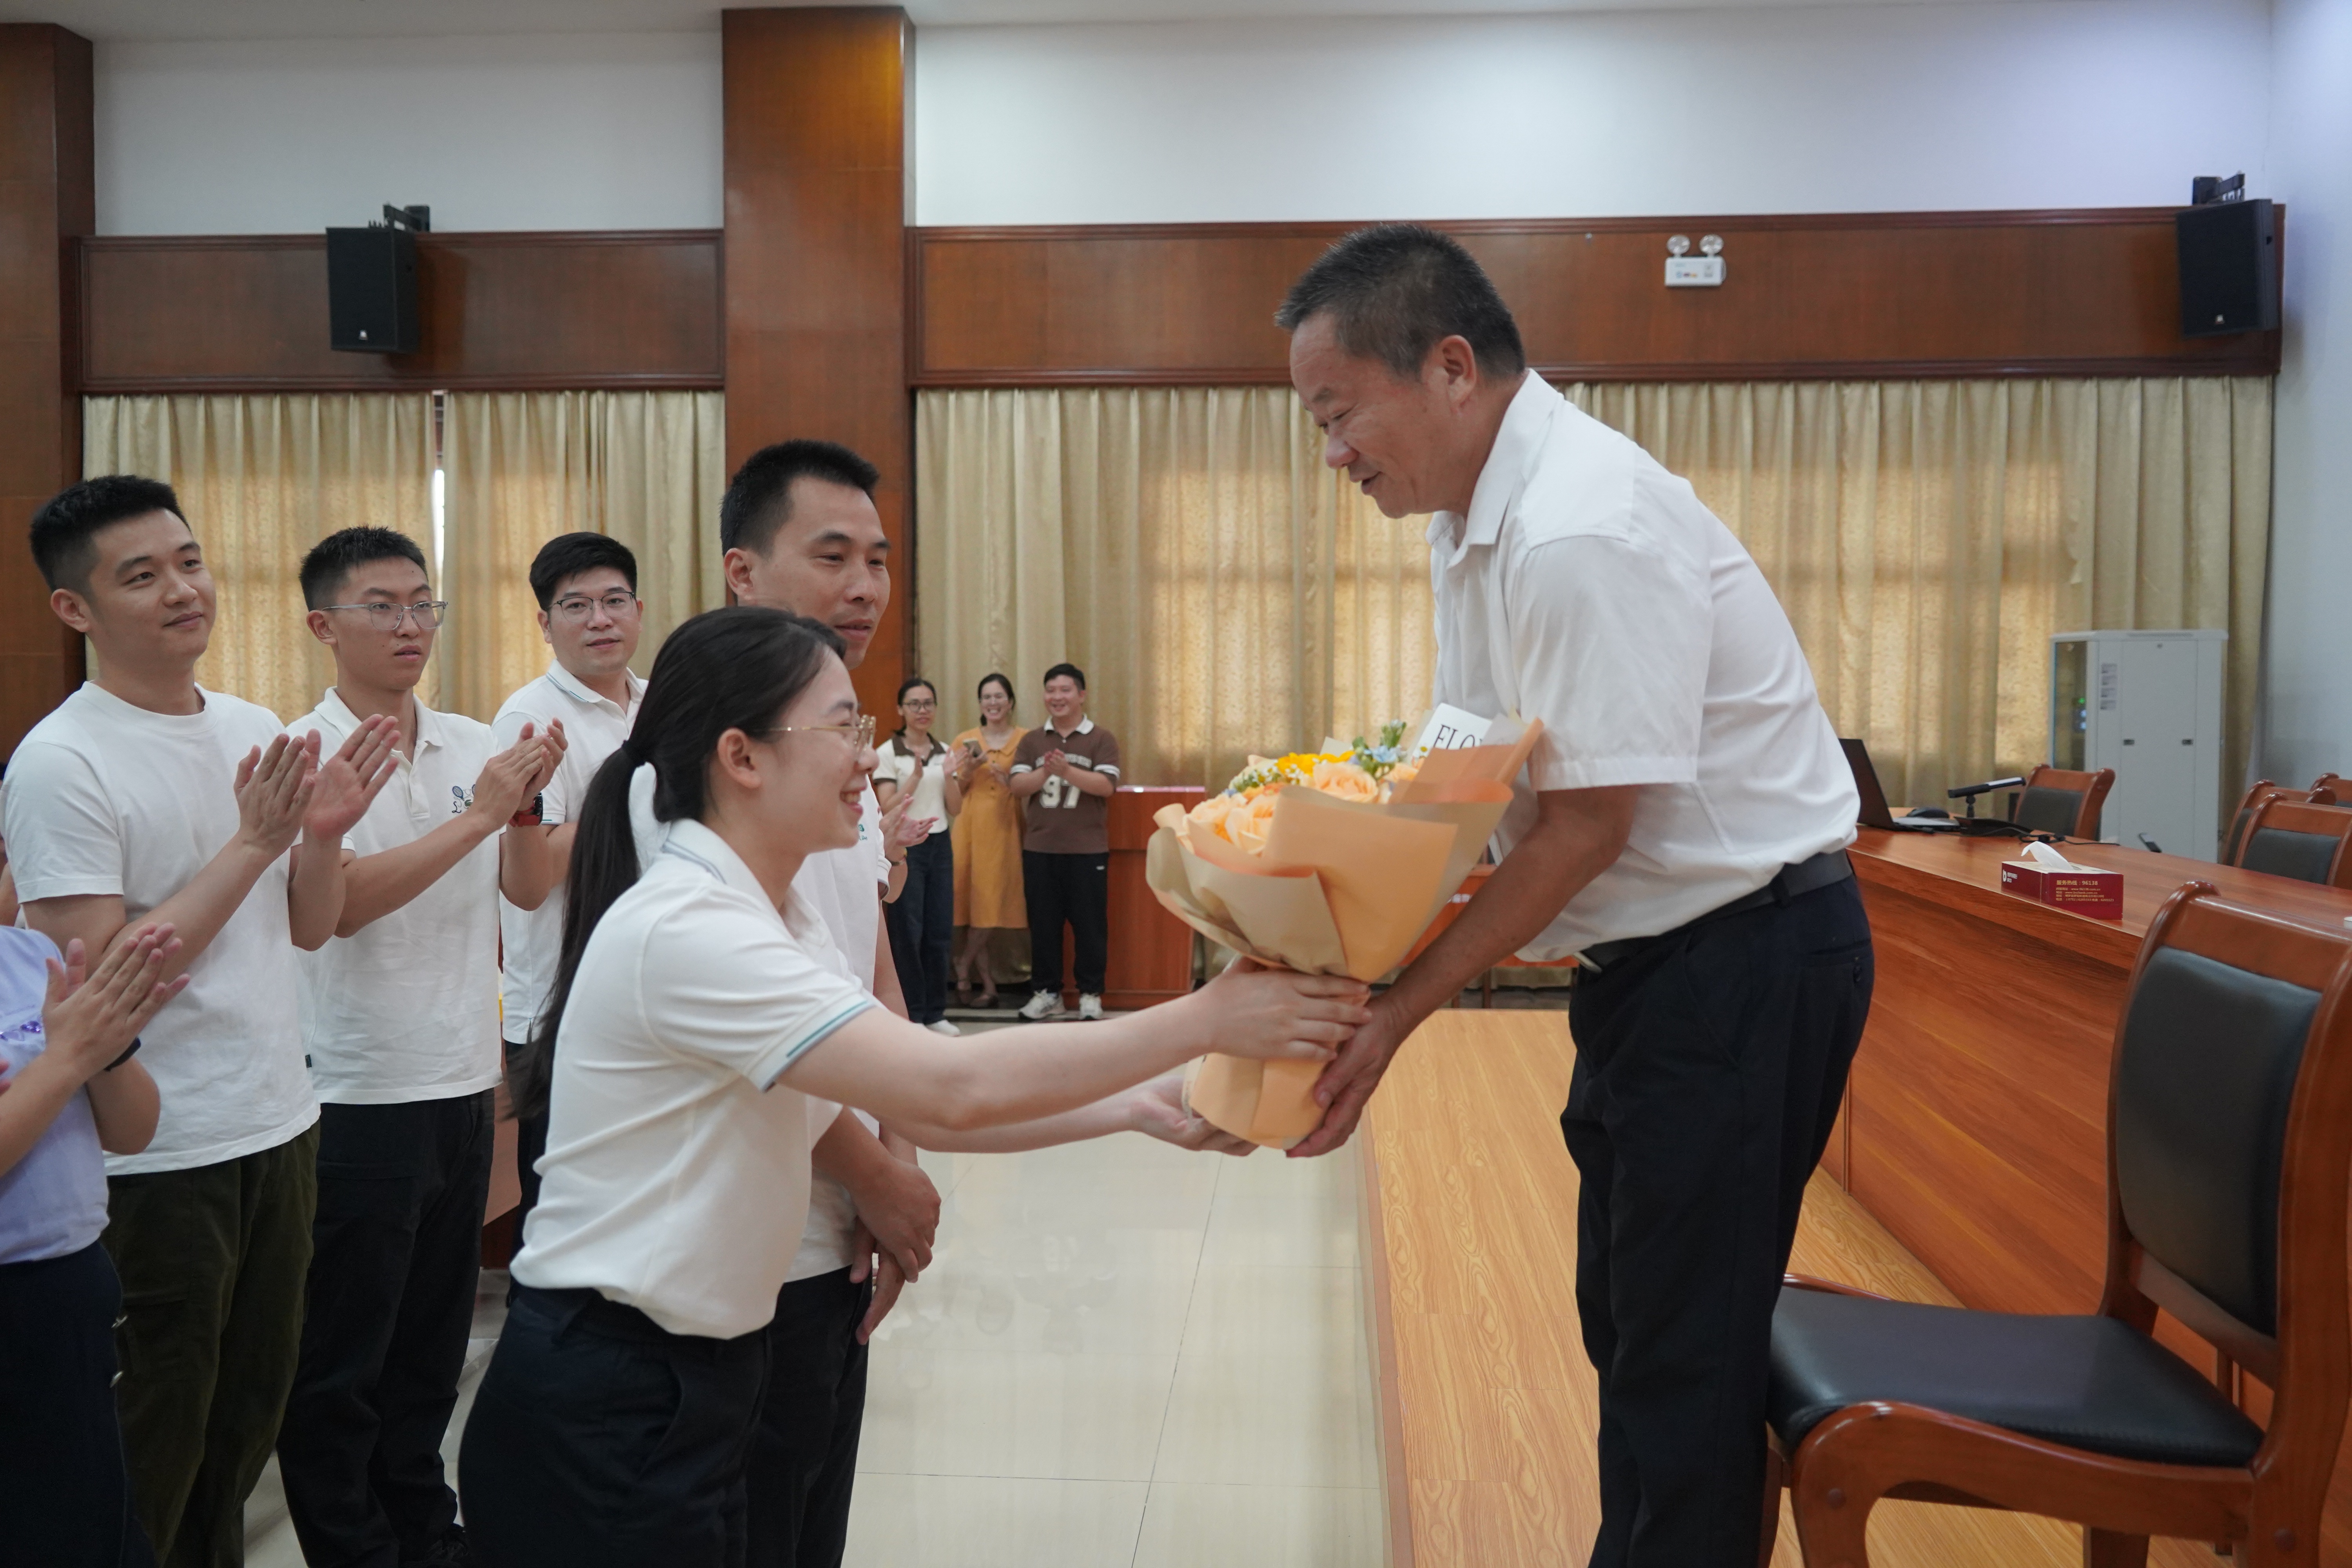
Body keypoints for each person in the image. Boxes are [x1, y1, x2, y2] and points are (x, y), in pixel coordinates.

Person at [455, 606, 1365, 1568]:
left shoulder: (777, 913)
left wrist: (1140, 1106)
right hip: (609, 1395)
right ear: (742, 756)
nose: (869, 757)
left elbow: (890, 1095)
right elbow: (947, 1085)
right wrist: (1207, 1016)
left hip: (688, 1381)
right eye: (842, 727)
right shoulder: (690, 929)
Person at [1278, 226, 1872, 1567]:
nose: (1333, 455)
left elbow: (1590, 828)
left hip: (1743, 957)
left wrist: (1397, 1010)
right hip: (1661, 968)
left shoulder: (1579, 526)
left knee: (1683, 1357)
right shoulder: (1472, 522)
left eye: (1338, 414)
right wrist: (1320, 914)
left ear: (1450, 368)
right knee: (1635, 1322)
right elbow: (1469, 770)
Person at [5, 474, 399, 1567]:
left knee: (243, 1433)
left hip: (278, 1121)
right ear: (76, 609)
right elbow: (100, 985)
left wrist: (321, 837)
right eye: (142, 576)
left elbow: (307, 928)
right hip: (155, 1157)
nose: (184, 590)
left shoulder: (251, 727)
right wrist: (256, 842)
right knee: (154, 1456)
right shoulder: (62, 762)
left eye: (189, 562)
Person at [276, 528, 567, 1568]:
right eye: (383, 606)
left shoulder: (466, 743)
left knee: (432, 1353)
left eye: (422, 603)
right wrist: (482, 815)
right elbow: (339, 910)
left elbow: (526, 889)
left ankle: (425, 1537)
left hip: (460, 1081)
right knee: (342, 1362)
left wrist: (521, 807)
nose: (411, 625)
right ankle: (354, 1549)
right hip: (356, 1094)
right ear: (324, 625)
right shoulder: (305, 754)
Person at [713, 439, 938, 1568]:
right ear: (743, 572)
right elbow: (760, 1038)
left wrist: (897, 1157)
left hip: (838, 1230)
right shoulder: (701, 768)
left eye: (879, 560)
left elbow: (871, 976)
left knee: (812, 1524)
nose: (864, 587)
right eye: (833, 555)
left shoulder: (838, 751)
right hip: (737, 1248)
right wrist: (882, 1178)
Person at [0, 922, 176, 1568]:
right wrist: (68, 1058)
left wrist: (107, 1051)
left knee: (98, 1523)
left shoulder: (30, 954)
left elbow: (133, 1130)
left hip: (71, 1283)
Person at [492, 532, 648, 1228]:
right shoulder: (529, 718)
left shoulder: (659, 706)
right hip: (563, 1007)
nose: (600, 620)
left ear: (639, 609)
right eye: (576, 605)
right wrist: (644, 811)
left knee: (640, 1205)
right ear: (545, 623)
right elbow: (532, 869)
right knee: (564, 1215)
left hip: (651, 988)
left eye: (615, 601)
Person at [1008, 664, 1121, 1022]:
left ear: (1082, 695)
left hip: (1088, 850)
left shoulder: (1101, 739)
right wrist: (1046, 771)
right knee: (1044, 927)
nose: (1057, 697)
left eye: (1065, 690)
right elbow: (1017, 787)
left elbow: (1106, 787)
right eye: (1051, 690)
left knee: (1090, 927)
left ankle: (1090, 994)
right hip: (1040, 849)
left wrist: (1067, 771)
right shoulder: (1032, 741)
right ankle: (1047, 994)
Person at [873, 678, 958, 1034]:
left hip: (940, 844)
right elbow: (885, 807)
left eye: (928, 704)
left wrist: (950, 776)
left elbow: (956, 807)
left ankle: (936, 1013)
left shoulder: (945, 750)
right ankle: (913, 1014)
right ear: (901, 710)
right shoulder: (887, 753)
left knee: (939, 929)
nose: (922, 711)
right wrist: (916, 778)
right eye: (914, 704)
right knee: (908, 932)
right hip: (906, 845)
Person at [948, 673, 1026, 1009]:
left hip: (1005, 826)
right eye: (987, 698)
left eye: (999, 697)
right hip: (969, 827)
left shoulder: (1026, 740)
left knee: (993, 903)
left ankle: (963, 962)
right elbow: (954, 791)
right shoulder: (964, 740)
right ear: (980, 704)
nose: (993, 703)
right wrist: (969, 770)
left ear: (1011, 701)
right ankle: (988, 985)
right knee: (973, 904)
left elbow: (1029, 787)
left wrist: (1007, 779)